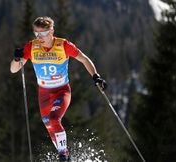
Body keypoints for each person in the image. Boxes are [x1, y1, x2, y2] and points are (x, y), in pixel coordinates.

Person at [10, 16, 107, 162]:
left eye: (42, 33)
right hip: (43, 93)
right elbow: (14, 70)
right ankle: (65, 153)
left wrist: (96, 76)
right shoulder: (32, 47)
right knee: (49, 126)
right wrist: (16, 59)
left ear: (51, 31)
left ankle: (63, 156)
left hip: (61, 91)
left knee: (54, 119)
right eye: (36, 33)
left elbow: (84, 59)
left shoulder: (63, 45)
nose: (39, 37)